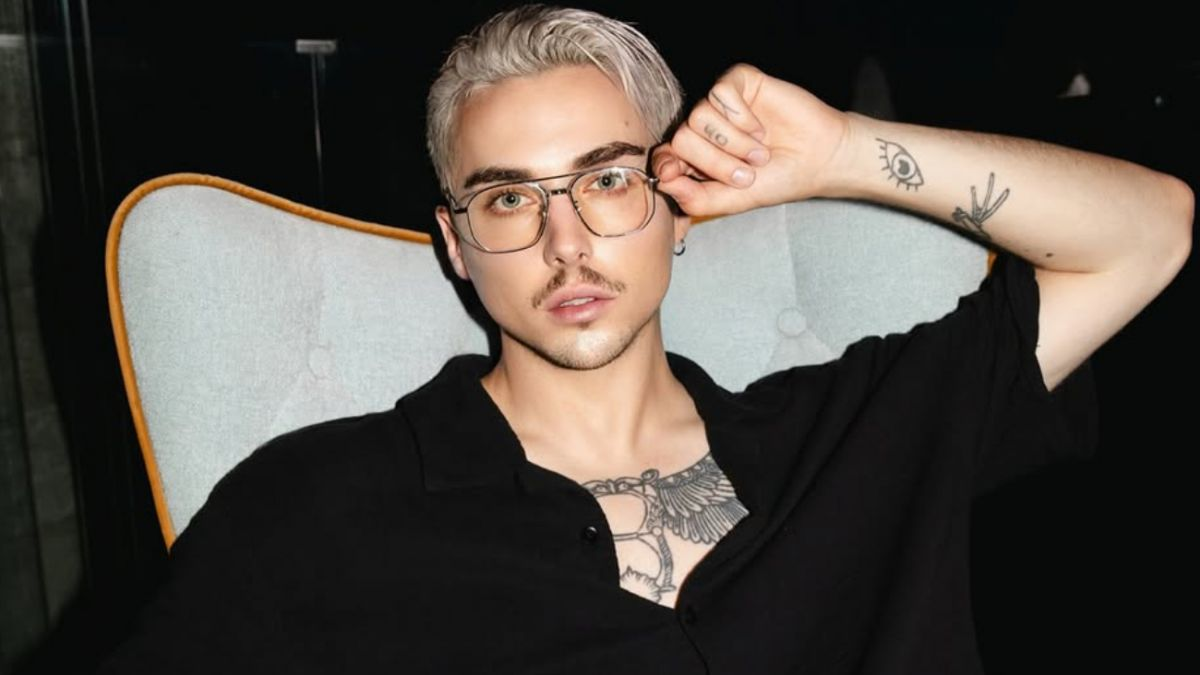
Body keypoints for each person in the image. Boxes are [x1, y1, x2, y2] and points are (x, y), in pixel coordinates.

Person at [99, 4, 1192, 674]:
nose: (566, 241)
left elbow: (1150, 231)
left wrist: (840, 151)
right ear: (456, 244)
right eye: (509, 199)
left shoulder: (854, 430)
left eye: (609, 180)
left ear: (678, 205)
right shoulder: (313, 506)